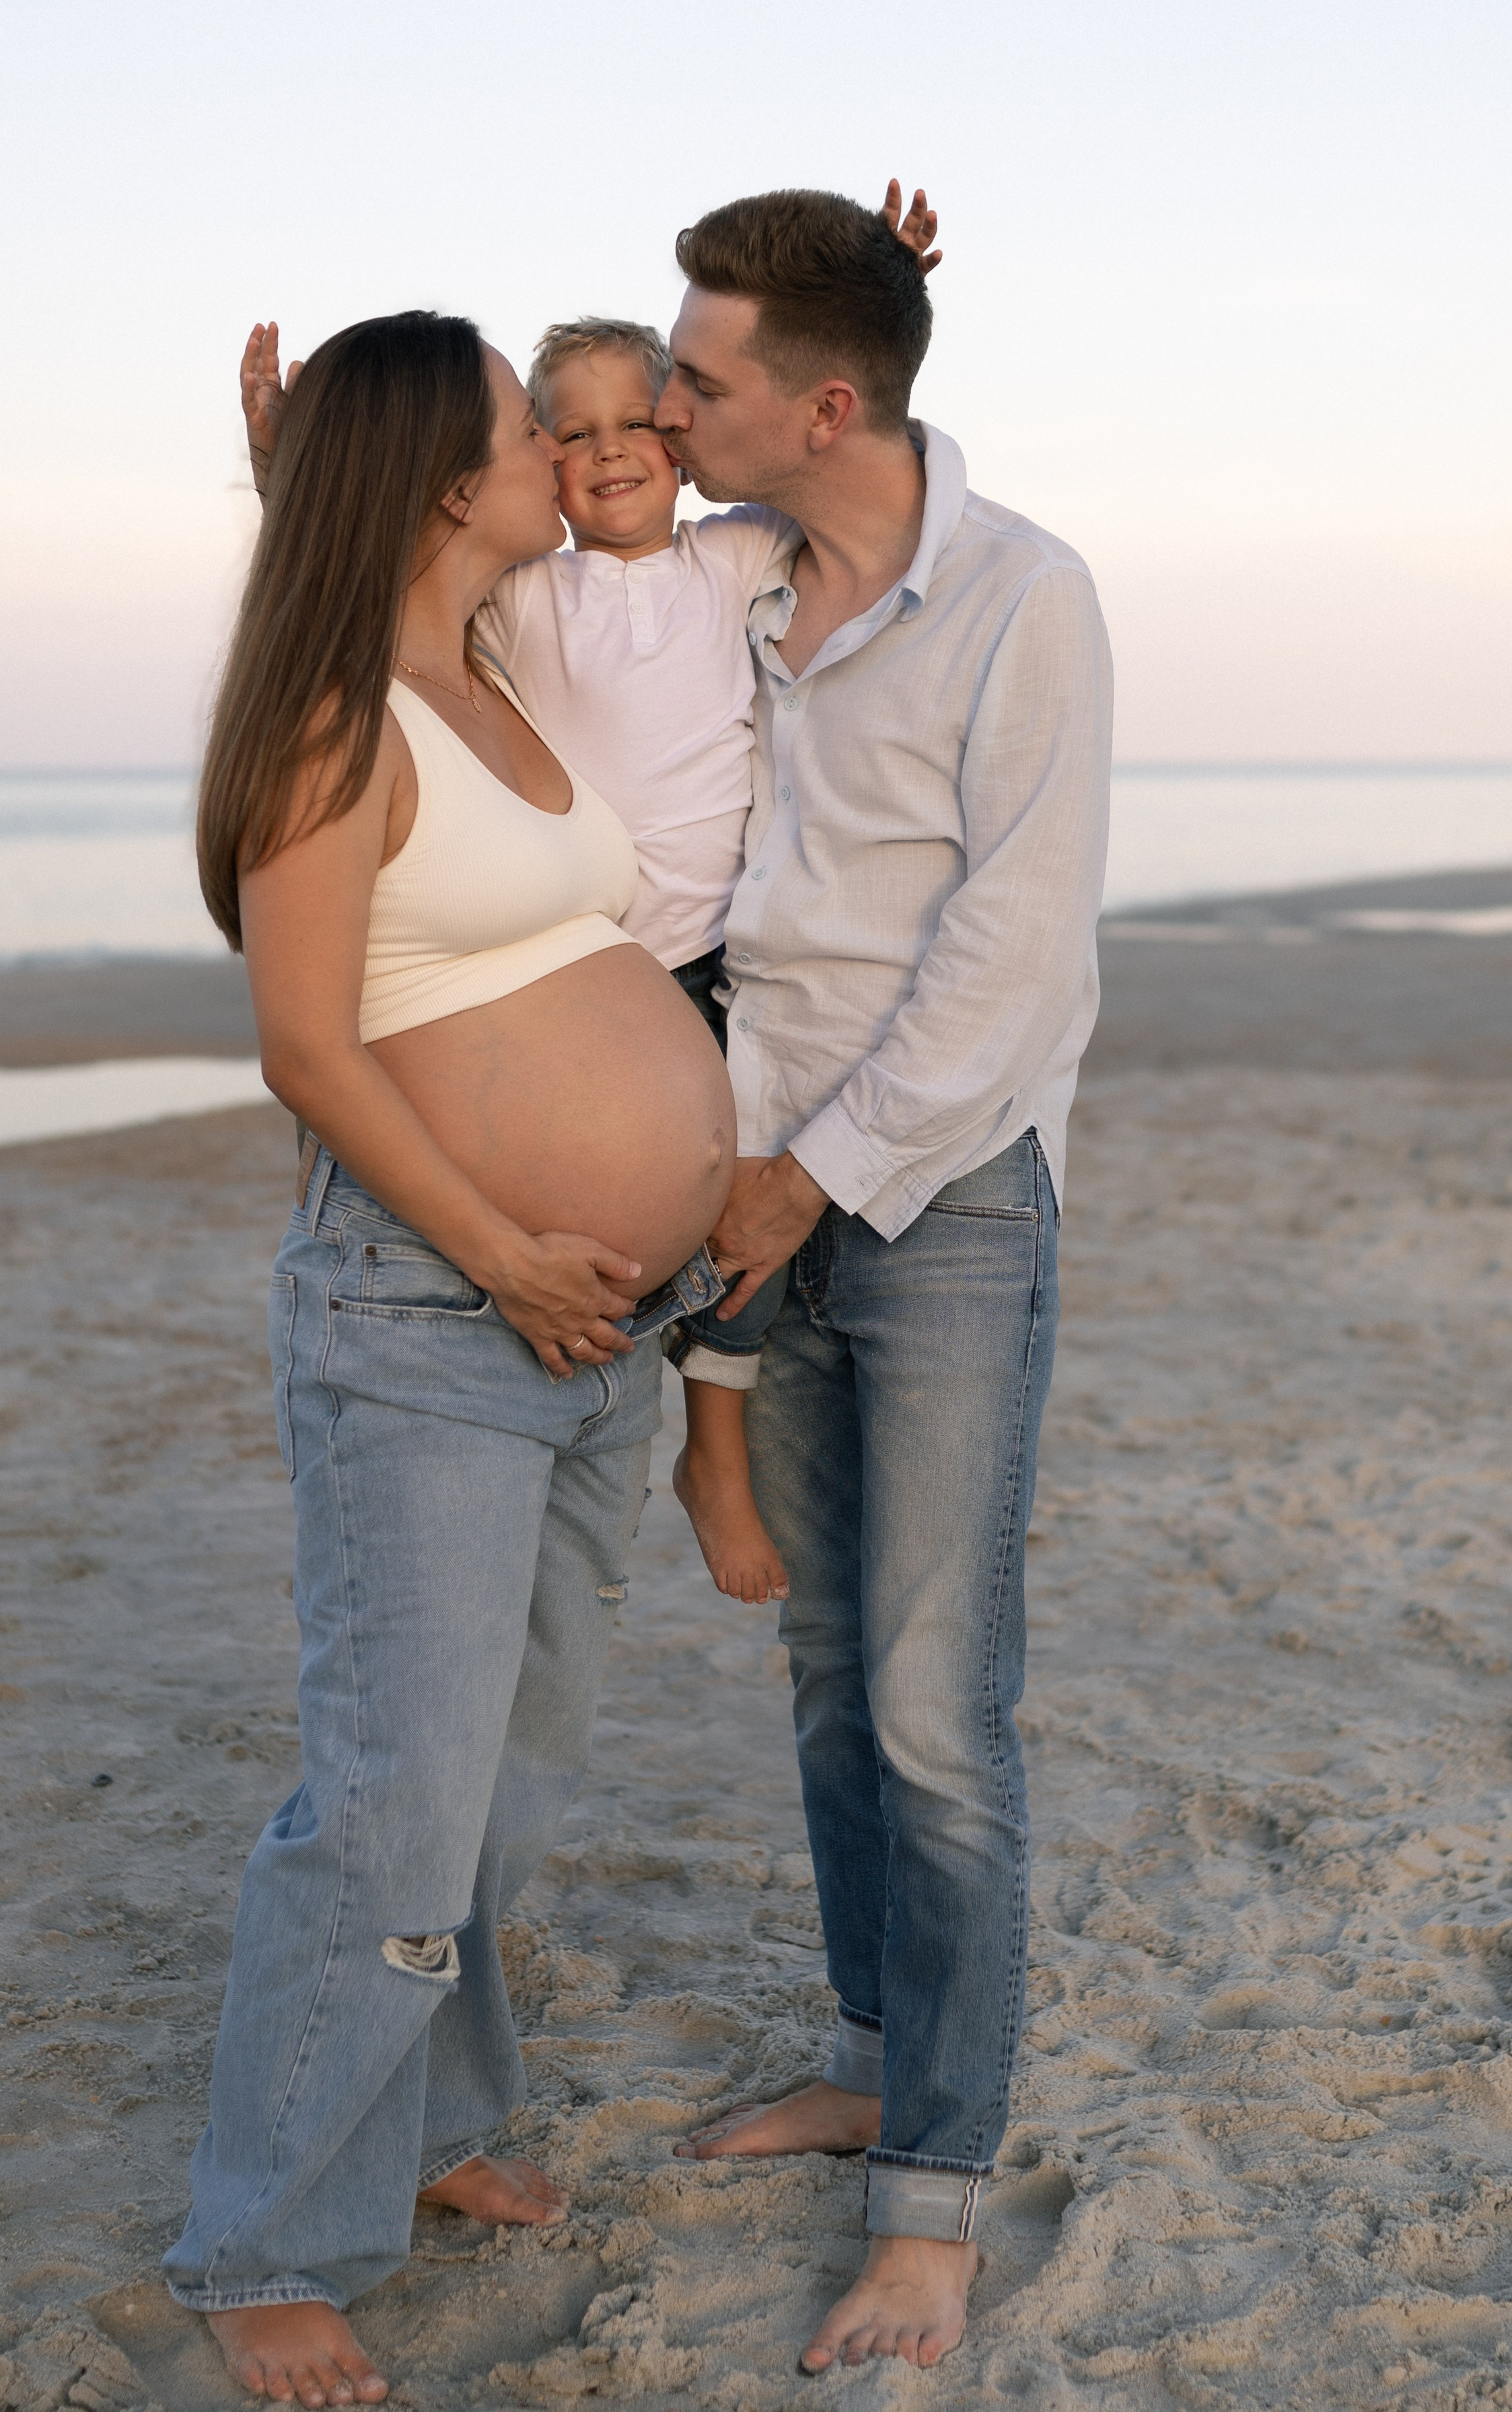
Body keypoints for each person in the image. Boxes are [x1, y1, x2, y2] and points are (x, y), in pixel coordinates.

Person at [166, 310, 738, 2409]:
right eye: (517, 428)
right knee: (396, 1807)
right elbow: (308, 1044)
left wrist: (288, 482)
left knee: (498, 1794)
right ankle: (264, 2243)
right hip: (438, 1318)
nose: (558, 455)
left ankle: (424, 2133)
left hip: (601, 1329)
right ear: (441, 479)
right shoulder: (336, 714)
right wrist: (503, 1250)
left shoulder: (483, 670)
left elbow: (377, 566)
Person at [237, 186, 943, 1618]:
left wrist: (862, 303)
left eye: (640, 423)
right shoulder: (507, 616)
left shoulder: (728, 558)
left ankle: (717, 1444)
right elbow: (365, 587)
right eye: (542, 432)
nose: (599, 450)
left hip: (698, 1016)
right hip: (478, 1257)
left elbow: (817, 457)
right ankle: (710, 1446)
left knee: (752, 1220)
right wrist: (294, 483)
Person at [653, 190, 1112, 2376]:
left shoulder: (1027, 598)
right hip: (752, 1187)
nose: (668, 401)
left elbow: (1008, 959)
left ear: (824, 406)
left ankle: (929, 2205)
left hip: (937, 1210)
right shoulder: (737, 569)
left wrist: (809, 1178)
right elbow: (576, 506)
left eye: (704, 375)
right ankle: (867, 2042)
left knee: (939, 1715)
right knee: (832, 1679)